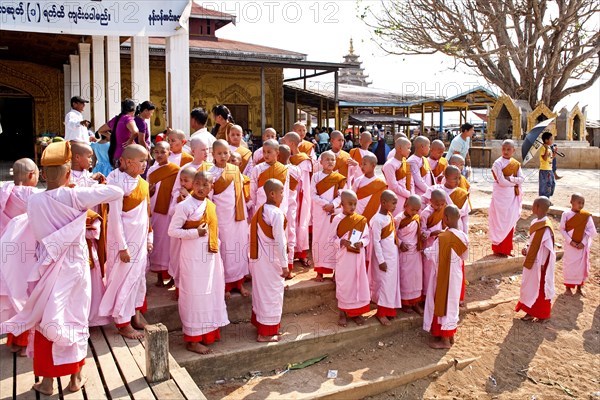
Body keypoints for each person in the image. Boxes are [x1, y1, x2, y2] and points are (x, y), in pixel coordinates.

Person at [1, 141, 123, 396]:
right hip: (75, 268)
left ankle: (46, 382)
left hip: (44, 268)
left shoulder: (34, 201)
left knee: (46, 320)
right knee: (75, 317)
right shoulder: (75, 195)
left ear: (43, 175)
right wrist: (79, 197)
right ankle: (75, 379)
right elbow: (116, 192)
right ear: (68, 174)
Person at [168, 171, 229, 354]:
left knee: (210, 293)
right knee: (194, 295)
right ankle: (193, 340)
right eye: (198, 184)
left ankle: (209, 333)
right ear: (192, 185)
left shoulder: (210, 205)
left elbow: (213, 230)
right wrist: (196, 233)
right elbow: (172, 231)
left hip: (209, 256)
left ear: (211, 187)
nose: (202, 188)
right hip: (192, 258)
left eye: (206, 185)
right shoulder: (185, 205)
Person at [99, 144, 153, 339]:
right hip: (124, 243)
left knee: (138, 280)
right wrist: (122, 247)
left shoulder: (142, 183)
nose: (145, 165)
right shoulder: (116, 183)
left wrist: (149, 236)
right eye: (141, 161)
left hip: (140, 240)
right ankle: (122, 323)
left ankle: (136, 316)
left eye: (146, 161)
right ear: (129, 162)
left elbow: (147, 213)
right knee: (123, 281)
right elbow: (114, 218)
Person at [69, 143, 111, 327]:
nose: (91, 160)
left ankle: (93, 316)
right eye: (88, 156)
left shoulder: (86, 175)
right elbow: (76, 197)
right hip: (78, 234)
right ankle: (79, 317)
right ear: (77, 158)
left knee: (93, 273)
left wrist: (95, 181)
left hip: (91, 234)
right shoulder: (68, 178)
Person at [0, 158, 40, 352]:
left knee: (11, 293)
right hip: (27, 251)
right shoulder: (32, 195)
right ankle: (25, 343)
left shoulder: (3, 192)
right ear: (32, 175)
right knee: (27, 295)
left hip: (7, 251)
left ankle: (14, 341)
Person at [423, 205, 469, 349]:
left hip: (443, 277)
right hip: (455, 275)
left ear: (446, 219)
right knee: (452, 305)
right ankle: (450, 335)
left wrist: (424, 251)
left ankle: (445, 341)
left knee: (443, 304)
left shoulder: (442, 237)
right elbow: (464, 256)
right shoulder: (463, 236)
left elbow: (432, 255)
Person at [249, 179, 289, 342]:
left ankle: (262, 326)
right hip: (272, 261)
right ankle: (265, 333)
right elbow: (280, 241)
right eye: (281, 192)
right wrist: (285, 265)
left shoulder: (262, 210)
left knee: (261, 292)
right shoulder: (276, 214)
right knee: (273, 294)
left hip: (260, 260)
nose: (283, 195)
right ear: (272, 194)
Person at [209, 140, 251, 298]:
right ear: (212, 155)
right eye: (219, 153)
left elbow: (240, 193)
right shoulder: (211, 173)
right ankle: (225, 285)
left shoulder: (234, 170)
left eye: (225, 153)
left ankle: (239, 284)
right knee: (225, 250)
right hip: (222, 219)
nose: (223, 156)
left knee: (239, 249)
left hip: (238, 217)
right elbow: (209, 199)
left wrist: (244, 215)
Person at [330, 190, 371, 327]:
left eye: (355, 204)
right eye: (350, 204)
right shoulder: (337, 219)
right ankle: (342, 312)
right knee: (344, 284)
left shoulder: (360, 220)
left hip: (358, 256)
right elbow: (331, 239)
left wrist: (362, 243)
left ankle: (356, 313)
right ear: (342, 204)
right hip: (344, 257)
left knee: (358, 282)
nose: (353, 207)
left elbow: (367, 237)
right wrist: (341, 242)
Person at [516, 197, 556, 322]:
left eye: (533, 205)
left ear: (537, 207)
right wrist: (526, 248)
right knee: (529, 285)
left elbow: (547, 248)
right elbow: (532, 241)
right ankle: (530, 312)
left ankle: (541, 314)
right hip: (532, 259)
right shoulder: (534, 222)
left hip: (540, 264)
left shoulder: (546, 227)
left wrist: (543, 263)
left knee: (540, 288)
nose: (532, 207)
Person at [147, 142, 180, 286]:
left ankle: (172, 278)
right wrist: (150, 192)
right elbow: (147, 190)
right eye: (157, 152)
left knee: (169, 244)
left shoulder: (175, 170)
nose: (159, 155)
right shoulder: (150, 171)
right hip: (155, 210)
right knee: (156, 242)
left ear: (169, 153)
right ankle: (159, 277)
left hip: (169, 211)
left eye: (163, 152)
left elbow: (178, 189)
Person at [311, 151, 346, 282]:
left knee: (333, 240)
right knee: (319, 239)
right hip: (320, 212)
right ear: (321, 162)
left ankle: (335, 271)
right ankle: (319, 271)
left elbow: (342, 195)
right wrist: (326, 204)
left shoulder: (339, 178)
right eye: (327, 159)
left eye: (333, 160)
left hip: (334, 213)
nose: (330, 162)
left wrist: (333, 205)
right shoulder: (315, 176)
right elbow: (313, 194)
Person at [369, 190, 401, 326]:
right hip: (384, 258)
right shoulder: (377, 220)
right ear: (383, 202)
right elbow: (376, 241)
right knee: (384, 284)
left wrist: (400, 244)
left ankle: (390, 310)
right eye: (393, 203)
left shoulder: (389, 216)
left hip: (393, 256)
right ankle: (381, 313)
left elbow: (393, 235)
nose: (395, 206)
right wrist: (381, 261)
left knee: (391, 284)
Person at [488, 140, 524, 257]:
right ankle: (498, 249)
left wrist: (511, 179)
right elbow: (501, 181)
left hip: (512, 197)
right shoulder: (497, 164)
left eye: (509, 149)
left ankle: (507, 249)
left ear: (513, 150)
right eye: (504, 149)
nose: (506, 151)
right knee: (499, 221)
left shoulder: (516, 164)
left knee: (510, 221)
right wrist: (514, 182)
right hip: (500, 197)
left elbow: (522, 179)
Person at [283, 132, 313, 267]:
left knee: (300, 223)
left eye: (284, 141)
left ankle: (301, 252)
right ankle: (289, 253)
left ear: (292, 144)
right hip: (286, 196)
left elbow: (304, 183)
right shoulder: (284, 157)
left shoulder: (303, 160)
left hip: (300, 197)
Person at [168, 166, 197, 298]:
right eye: (181, 180)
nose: (183, 183)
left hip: (192, 234)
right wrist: (182, 200)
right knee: (177, 259)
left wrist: (188, 197)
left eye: (186, 180)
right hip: (178, 233)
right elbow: (171, 211)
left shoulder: (199, 195)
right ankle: (178, 287)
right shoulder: (177, 195)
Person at [559, 193, 597, 296]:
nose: (581, 205)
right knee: (569, 265)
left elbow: (592, 231)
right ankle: (568, 288)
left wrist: (583, 243)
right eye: (579, 202)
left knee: (581, 266)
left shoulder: (586, 216)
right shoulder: (566, 214)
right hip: (570, 246)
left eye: (583, 203)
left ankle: (580, 288)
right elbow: (562, 229)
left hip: (581, 247)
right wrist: (570, 241)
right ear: (571, 202)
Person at [396, 195, 424, 315]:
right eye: (412, 209)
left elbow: (420, 231)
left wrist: (422, 236)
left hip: (416, 251)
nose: (414, 212)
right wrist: (400, 243)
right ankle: (405, 303)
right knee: (406, 277)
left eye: (417, 210)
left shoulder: (417, 217)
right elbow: (392, 233)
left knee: (416, 278)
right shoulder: (398, 218)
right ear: (405, 206)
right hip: (405, 251)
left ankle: (415, 303)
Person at [249, 139, 289, 217]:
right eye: (264, 152)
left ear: (277, 153)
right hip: (261, 205)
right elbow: (252, 190)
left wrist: (284, 209)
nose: (266, 155)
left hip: (279, 207)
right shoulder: (258, 168)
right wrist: (255, 206)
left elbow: (286, 191)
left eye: (269, 152)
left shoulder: (283, 169)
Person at [0, 158, 39, 235]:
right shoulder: (32, 193)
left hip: (3, 232)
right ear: (31, 175)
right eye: (38, 177)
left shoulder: (5, 189)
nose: (38, 180)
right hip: (20, 234)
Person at [278, 144, 301, 277]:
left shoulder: (277, 170)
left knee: (282, 235)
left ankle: (283, 266)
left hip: (281, 206)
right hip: (292, 206)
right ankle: (289, 266)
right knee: (290, 233)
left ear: (278, 155)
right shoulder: (296, 169)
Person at [420, 189, 447, 299]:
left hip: (438, 242)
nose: (440, 207)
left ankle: (436, 293)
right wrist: (432, 233)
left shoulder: (442, 210)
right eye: (437, 204)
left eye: (442, 204)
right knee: (428, 270)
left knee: (437, 269)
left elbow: (443, 224)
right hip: (428, 245)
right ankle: (426, 295)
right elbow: (421, 231)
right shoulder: (425, 213)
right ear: (430, 201)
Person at [100, 99, 138, 166]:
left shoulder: (116, 119)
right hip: (127, 156)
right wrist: (130, 140)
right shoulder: (127, 118)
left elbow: (100, 130)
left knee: (118, 176)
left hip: (116, 156)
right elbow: (135, 132)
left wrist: (112, 136)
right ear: (133, 110)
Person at [352, 153, 388, 223]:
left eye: (364, 164)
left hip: (374, 216)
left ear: (373, 166)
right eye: (361, 164)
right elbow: (352, 197)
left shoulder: (381, 184)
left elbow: (382, 202)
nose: (362, 166)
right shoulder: (358, 181)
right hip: (358, 214)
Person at [382, 137, 413, 216]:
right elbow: (393, 186)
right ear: (399, 148)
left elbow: (411, 181)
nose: (410, 151)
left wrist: (411, 195)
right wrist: (408, 194)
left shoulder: (405, 162)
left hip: (408, 197)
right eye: (408, 148)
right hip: (396, 198)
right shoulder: (390, 164)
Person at [539, 132, 556, 198]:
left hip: (549, 169)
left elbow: (551, 158)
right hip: (544, 170)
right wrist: (546, 149)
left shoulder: (549, 148)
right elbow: (545, 159)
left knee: (552, 184)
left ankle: (547, 197)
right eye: (551, 139)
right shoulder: (543, 148)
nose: (552, 141)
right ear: (546, 140)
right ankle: (544, 199)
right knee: (546, 186)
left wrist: (554, 153)